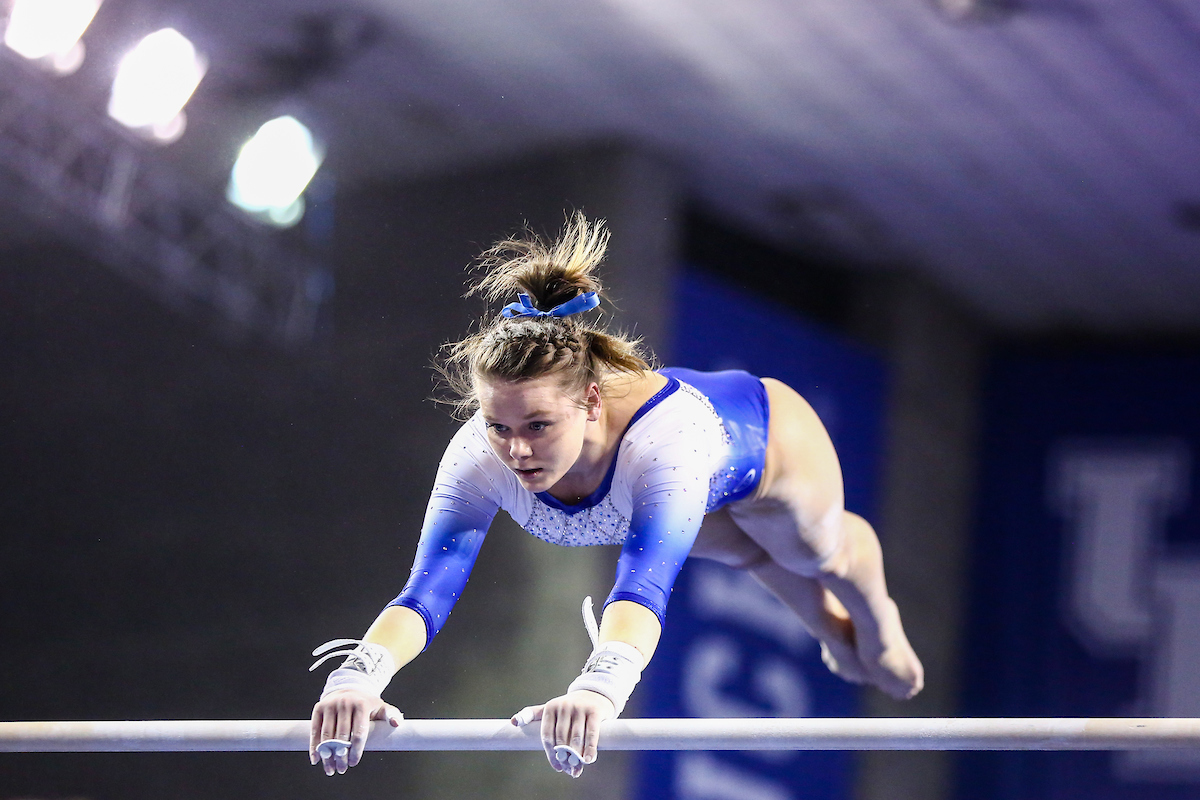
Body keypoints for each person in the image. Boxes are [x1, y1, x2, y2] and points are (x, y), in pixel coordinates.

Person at [308, 214, 923, 778]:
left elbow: (641, 588)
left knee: (816, 554)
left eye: (538, 427)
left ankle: (880, 622)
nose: (517, 450)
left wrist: (597, 690)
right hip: (671, 501)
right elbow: (427, 590)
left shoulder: (664, 448)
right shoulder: (477, 457)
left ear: (591, 402)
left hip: (767, 442)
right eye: (500, 427)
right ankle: (837, 636)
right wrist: (358, 676)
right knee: (750, 555)